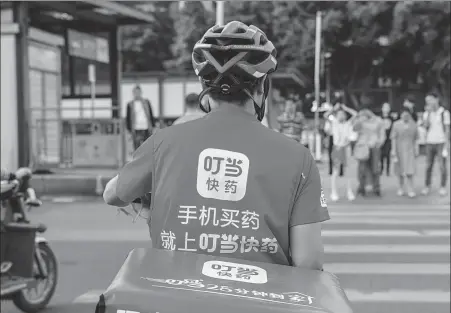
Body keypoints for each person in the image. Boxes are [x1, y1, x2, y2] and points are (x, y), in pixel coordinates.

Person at [103, 21, 329, 269]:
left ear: (204, 87)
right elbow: (308, 262)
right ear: (262, 87)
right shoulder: (299, 159)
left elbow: (113, 195)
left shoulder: (163, 143)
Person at [324, 103, 358, 201]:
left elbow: (355, 114)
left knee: (348, 171)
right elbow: (325, 116)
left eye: (343, 114)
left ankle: (349, 191)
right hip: (337, 148)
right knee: (335, 171)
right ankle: (334, 192)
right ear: (336, 115)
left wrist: (345, 107)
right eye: (339, 114)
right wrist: (334, 109)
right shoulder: (334, 122)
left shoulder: (348, 123)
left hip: (346, 148)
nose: (341, 116)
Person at [421, 92, 450, 196]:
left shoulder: (444, 113)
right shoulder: (426, 113)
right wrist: (428, 114)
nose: (428, 102)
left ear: (436, 99)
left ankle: (442, 186)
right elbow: (425, 127)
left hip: (441, 142)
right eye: (427, 101)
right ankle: (427, 186)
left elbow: (447, 130)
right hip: (429, 142)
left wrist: (447, 145)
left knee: (442, 166)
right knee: (428, 165)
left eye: (430, 100)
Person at [353, 105, 386, 197]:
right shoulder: (360, 121)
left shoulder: (378, 121)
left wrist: (379, 143)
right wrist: (359, 120)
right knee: (362, 169)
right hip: (363, 146)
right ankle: (361, 187)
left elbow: (382, 134)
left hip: (374, 146)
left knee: (376, 168)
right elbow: (354, 129)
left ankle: (376, 188)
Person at [391, 108, 419, 198]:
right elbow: (393, 138)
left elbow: (416, 138)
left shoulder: (413, 125)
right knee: (400, 170)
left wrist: (416, 149)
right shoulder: (396, 124)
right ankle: (400, 188)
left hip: (410, 149)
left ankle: (410, 189)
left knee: (410, 170)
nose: (405, 116)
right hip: (399, 149)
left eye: (407, 114)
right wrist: (393, 150)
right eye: (403, 114)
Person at [125, 85, 156, 150]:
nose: (137, 94)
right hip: (136, 128)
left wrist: (153, 125)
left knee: (148, 147)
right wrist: (129, 129)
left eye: (138, 92)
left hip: (146, 128)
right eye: (135, 92)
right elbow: (128, 118)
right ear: (133, 93)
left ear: (141, 92)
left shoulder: (146, 102)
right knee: (137, 148)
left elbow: (150, 113)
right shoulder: (130, 104)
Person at [380, 102, 395, 176]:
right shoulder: (379, 118)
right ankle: (381, 169)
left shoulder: (392, 118)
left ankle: (388, 170)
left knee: (388, 155)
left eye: (387, 107)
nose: (386, 109)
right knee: (381, 155)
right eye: (384, 107)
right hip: (381, 139)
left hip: (389, 139)